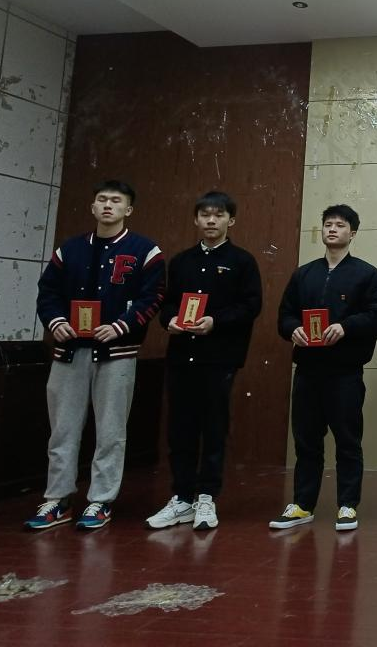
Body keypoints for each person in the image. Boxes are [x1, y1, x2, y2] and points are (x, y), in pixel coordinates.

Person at [28, 180, 165, 531]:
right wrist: (56, 322)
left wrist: (121, 326)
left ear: (128, 209)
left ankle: (101, 501)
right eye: (102, 199)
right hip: (69, 351)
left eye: (116, 201)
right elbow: (47, 292)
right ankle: (58, 500)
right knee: (62, 429)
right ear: (92, 207)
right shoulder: (69, 249)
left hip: (117, 352)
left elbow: (153, 298)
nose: (107, 205)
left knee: (111, 430)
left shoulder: (145, 251)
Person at [270, 204, 377, 532]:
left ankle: (348, 505)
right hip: (308, 371)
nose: (333, 229)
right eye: (328, 224)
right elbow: (284, 315)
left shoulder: (366, 274)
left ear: (353, 233)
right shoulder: (304, 274)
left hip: (345, 372)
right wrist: (293, 329)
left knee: (348, 441)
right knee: (306, 440)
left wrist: (346, 327)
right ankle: (302, 504)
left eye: (340, 225)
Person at [147, 191, 262, 531]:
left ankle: (207, 497)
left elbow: (251, 306)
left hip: (219, 358)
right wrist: (169, 320)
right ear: (196, 219)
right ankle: (182, 497)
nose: (211, 220)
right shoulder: (181, 261)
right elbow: (166, 302)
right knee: (179, 429)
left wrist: (216, 321)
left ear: (231, 220)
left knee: (213, 428)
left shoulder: (242, 261)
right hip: (181, 356)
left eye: (219, 214)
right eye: (205, 215)